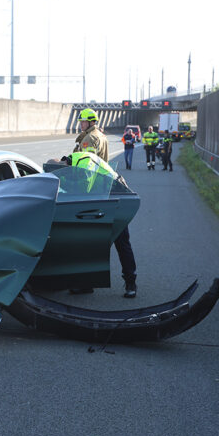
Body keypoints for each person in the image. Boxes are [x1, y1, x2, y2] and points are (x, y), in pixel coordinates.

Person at [67, 109, 138, 298]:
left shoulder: (89, 139)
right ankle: (130, 283)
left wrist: (75, 188)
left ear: (90, 122)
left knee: (98, 240)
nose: (80, 123)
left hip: (97, 193)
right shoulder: (100, 136)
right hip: (108, 188)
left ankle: (91, 282)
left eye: (82, 121)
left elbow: (87, 168)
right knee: (120, 241)